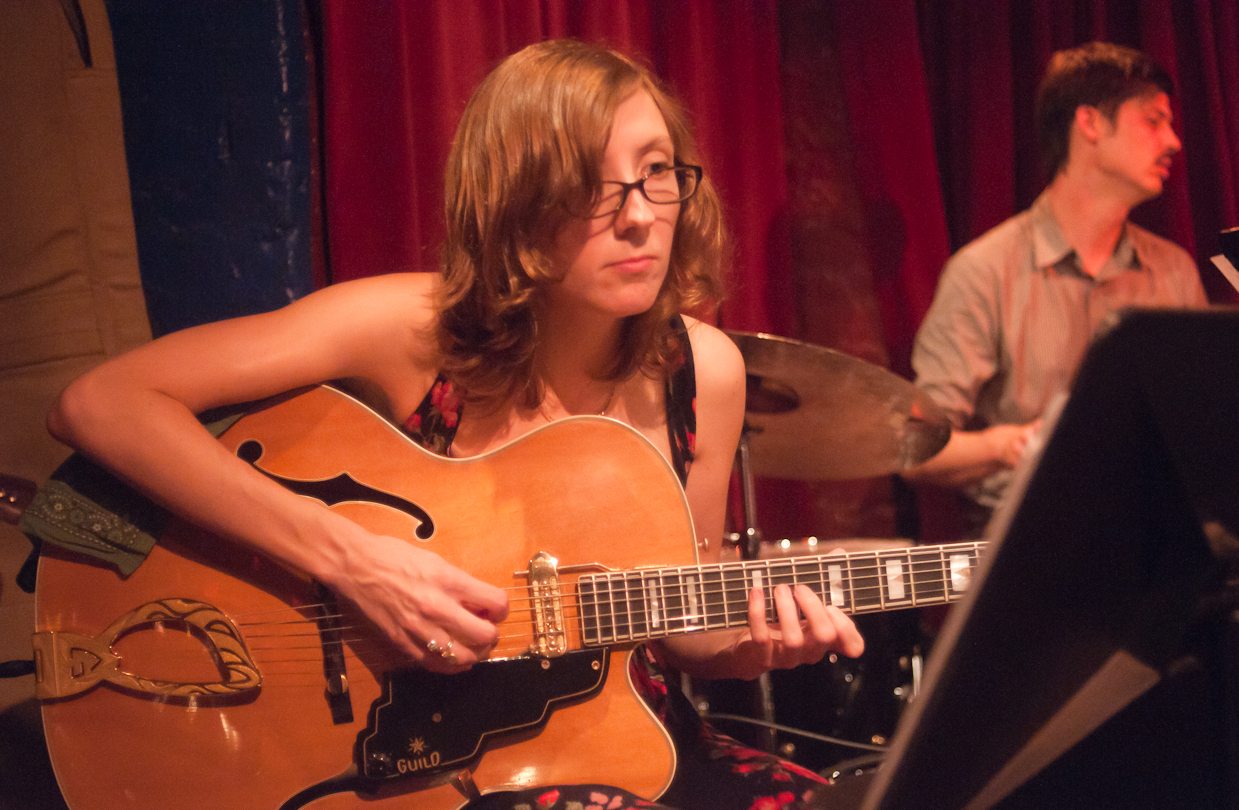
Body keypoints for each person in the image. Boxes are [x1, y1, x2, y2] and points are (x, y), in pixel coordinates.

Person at [45, 39, 863, 810]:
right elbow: (101, 403)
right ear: (514, 200)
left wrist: (752, 646)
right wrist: (351, 562)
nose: (641, 216)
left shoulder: (704, 371)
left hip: (616, 748)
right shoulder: (414, 330)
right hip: (433, 770)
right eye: (590, 185)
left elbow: (683, 628)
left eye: (656, 173)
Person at [904, 42, 1208, 533]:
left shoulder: (1173, 270)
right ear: (1089, 123)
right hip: (1032, 546)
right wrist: (1012, 444)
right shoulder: (985, 269)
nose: (1173, 140)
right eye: (1153, 121)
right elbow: (915, 450)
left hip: (1156, 548)